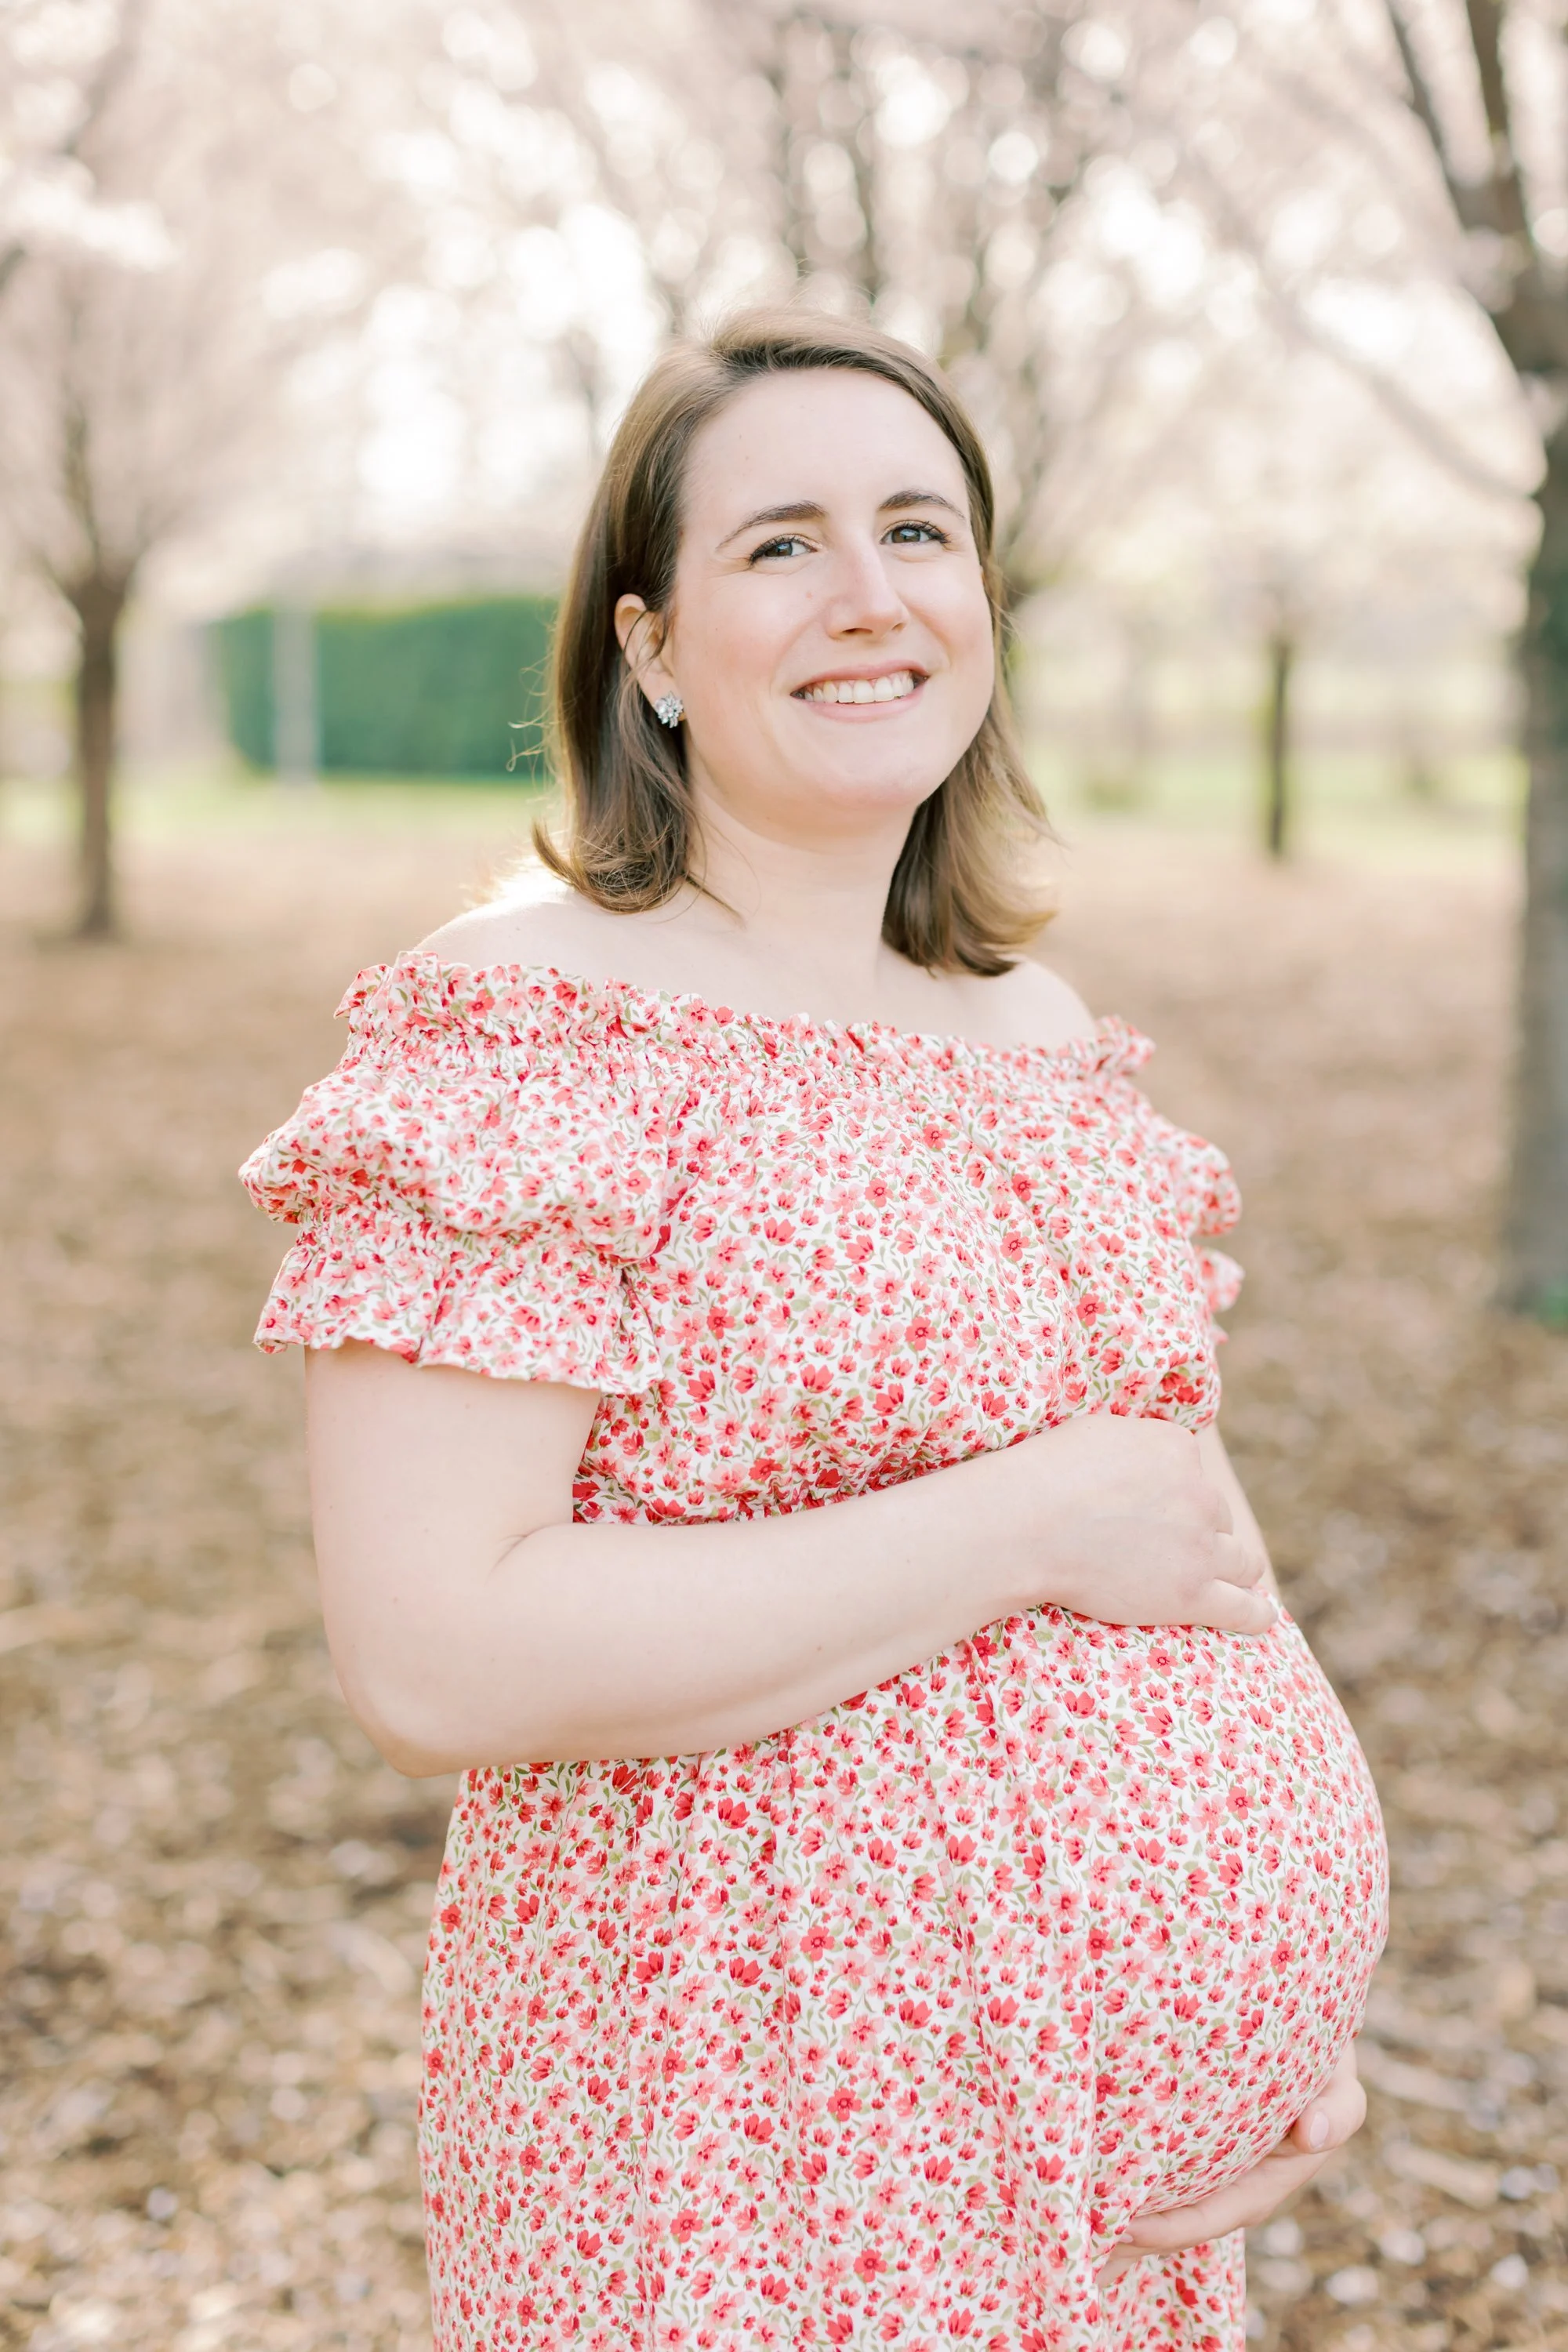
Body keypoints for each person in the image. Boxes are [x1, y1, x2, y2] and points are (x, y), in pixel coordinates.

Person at [241, 310, 1385, 2352]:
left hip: (1118, 2205)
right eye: (781, 545)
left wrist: (1290, 2007)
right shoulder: (536, 1031)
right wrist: (1023, 1525)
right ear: (652, 648)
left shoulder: (1038, 1037)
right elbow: (435, 1652)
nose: (873, 598)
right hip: (749, 2141)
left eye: (920, 529)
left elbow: (1179, 1517)